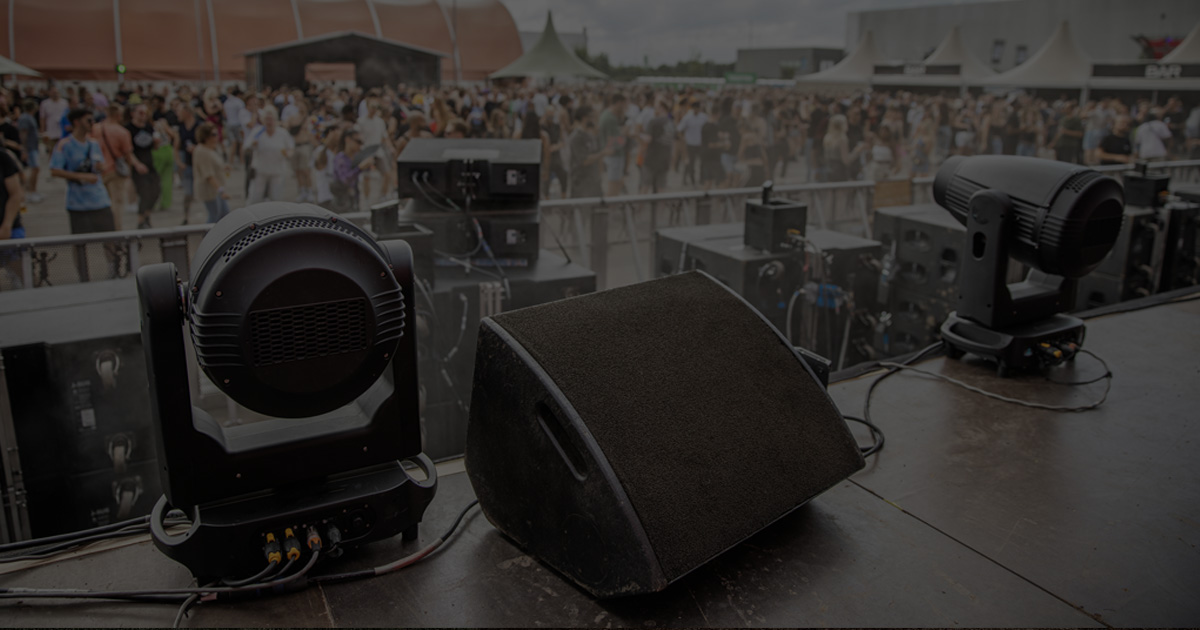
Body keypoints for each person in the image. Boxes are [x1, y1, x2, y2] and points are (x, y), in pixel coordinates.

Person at [50, 109, 116, 280]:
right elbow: (55, 170)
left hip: (99, 200)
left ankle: (114, 269)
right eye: (88, 120)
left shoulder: (93, 143)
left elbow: (99, 164)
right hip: (78, 203)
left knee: (110, 238)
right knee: (80, 243)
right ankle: (83, 275)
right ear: (77, 122)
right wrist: (80, 176)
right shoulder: (64, 144)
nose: (92, 124)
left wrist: (100, 168)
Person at [92, 103, 143, 231]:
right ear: (118, 115)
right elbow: (128, 155)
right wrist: (134, 168)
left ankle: (104, 229)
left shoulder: (95, 129)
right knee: (117, 204)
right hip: (115, 171)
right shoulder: (122, 132)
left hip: (98, 171)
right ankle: (116, 231)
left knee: (103, 203)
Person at [243, 108, 294, 204]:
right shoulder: (257, 132)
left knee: (276, 197)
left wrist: (289, 154)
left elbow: (290, 148)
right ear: (263, 120)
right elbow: (246, 147)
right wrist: (253, 144)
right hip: (260, 169)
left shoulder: (282, 133)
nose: (269, 122)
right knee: (255, 196)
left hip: (277, 170)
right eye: (266, 119)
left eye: (271, 119)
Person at [125, 104, 160, 229]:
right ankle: (141, 221)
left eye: (145, 113)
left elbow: (153, 147)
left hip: (149, 162)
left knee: (156, 191)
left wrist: (157, 144)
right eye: (140, 112)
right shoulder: (129, 129)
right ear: (133, 113)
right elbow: (127, 151)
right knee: (144, 193)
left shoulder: (149, 128)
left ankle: (146, 216)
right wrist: (136, 164)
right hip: (137, 164)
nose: (143, 116)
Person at [192, 123, 230, 223]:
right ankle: (207, 237)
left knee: (225, 214)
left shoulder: (210, 148)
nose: (217, 137)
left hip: (216, 189)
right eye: (214, 134)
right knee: (214, 215)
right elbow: (208, 175)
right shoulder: (202, 152)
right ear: (206, 136)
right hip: (209, 190)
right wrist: (222, 191)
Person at [568, 106, 605, 199]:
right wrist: (603, 153)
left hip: (594, 180)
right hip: (582, 182)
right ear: (585, 118)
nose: (594, 119)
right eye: (592, 116)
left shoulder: (591, 134)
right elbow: (584, 160)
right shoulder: (576, 137)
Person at [175, 102, 200, 222]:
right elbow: (176, 146)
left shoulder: (199, 126)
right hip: (188, 164)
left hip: (199, 165)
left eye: (180, 111)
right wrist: (179, 162)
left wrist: (197, 148)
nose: (177, 114)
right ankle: (186, 216)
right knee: (188, 193)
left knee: (202, 192)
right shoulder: (181, 128)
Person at [597, 94, 626, 197]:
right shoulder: (610, 118)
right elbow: (611, 141)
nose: (625, 107)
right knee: (613, 185)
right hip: (614, 156)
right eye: (624, 104)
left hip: (612, 156)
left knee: (616, 183)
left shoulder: (607, 115)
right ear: (618, 103)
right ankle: (611, 208)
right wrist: (624, 136)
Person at [677, 100, 707, 186]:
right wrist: (683, 139)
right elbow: (679, 130)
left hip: (700, 143)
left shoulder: (704, 117)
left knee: (702, 163)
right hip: (690, 144)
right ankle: (687, 179)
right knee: (689, 163)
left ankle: (701, 179)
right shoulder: (687, 117)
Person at [17, 100, 42, 203]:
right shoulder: (25, 118)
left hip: (33, 147)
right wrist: (24, 149)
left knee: (36, 169)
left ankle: (33, 191)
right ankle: (31, 192)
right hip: (30, 148)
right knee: (35, 169)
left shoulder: (29, 117)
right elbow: (23, 134)